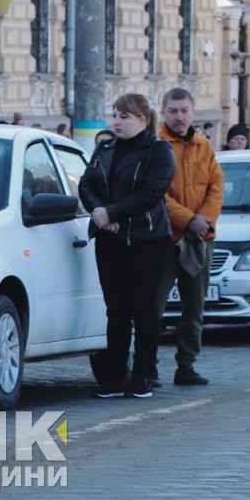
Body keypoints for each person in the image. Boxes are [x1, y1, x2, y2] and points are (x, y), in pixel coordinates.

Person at [79, 93, 176, 399]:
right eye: (115, 116)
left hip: (148, 240)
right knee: (116, 310)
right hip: (110, 239)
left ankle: (144, 375)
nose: (116, 122)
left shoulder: (158, 150)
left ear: (142, 120)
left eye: (124, 117)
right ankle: (113, 378)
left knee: (144, 309)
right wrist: (100, 213)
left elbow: (153, 191)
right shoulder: (106, 148)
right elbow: (86, 184)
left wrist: (114, 212)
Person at [153, 88, 224, 387]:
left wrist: (202, 221)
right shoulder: (156, 147)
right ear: (163, 112)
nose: (179, 117)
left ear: (193, 112)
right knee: (153, 307)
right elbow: (157, 194)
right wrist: (188, 220)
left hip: (199, 239)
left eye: (184, 111)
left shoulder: (204, 147)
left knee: (194, 306)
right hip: (164, 238)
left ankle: (187, 364)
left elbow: (216, 188)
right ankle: (148, 366)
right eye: (173, 111)